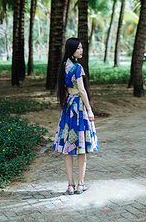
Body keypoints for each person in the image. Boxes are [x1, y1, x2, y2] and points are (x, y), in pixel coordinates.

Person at [53, 37, 98, 195]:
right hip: (78, 108)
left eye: (81, 48)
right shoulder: (78, 67)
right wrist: (90, 110)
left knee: (68, 149)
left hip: (68, 107)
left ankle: (70, 185)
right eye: (78, 48)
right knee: (81, 148)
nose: (81, 50)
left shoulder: (64, 66)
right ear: (72, 50)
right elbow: (82, 90)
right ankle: (80, 184)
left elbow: (65, 89)